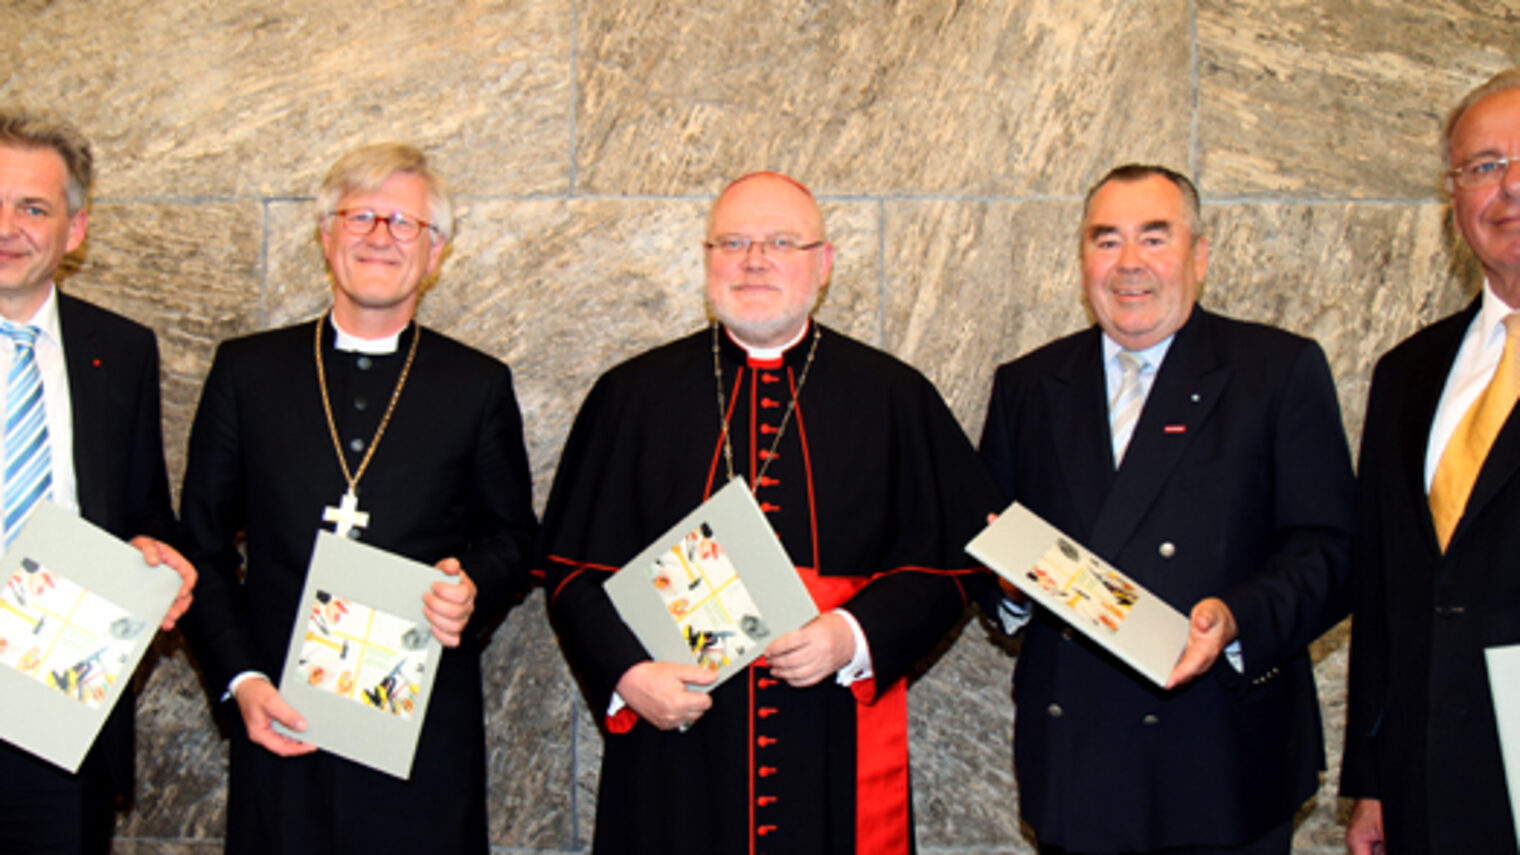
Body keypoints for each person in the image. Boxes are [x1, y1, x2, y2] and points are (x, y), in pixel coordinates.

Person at [538, 171, 1003, 855]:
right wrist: (632, 674)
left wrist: (852, 634)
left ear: (825, 262)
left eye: (782, 241)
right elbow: (573, 566)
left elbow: (950, 562)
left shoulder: (893, 395)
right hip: (680, 735)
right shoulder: (631, 395)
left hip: (831, 738)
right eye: (733, 242)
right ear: (706, 261)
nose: (754, 259)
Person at [977, 164, 1354, 854]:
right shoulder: (1028, 384)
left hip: (1220, 757)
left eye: (1155, 238)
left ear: (1199, 255)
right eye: (1106, 240)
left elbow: (1331, 549)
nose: (1129, 264)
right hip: (1077, 761)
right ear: (1082, 257)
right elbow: (991, 542)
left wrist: (1237, 615)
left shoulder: (1277, 369)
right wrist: (1006, 588)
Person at [176, 143, 537, 853]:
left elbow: (515, 540)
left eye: (404, 223)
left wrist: (471, 585)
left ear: (434, 253)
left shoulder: (476, 384)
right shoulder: (248, 371)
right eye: (361, 216)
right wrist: (241, 680)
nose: (379, 235)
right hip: (281, 714)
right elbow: (202, 547)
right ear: (326, 235)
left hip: (421, 729)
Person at [0, 108, 195, 853]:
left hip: (63, 718)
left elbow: (144, 509)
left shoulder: (119, 350)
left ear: (74, 230)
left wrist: (157, 555)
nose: (8, 225)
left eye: (34, 207)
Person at [1343, 67, 1520, 855]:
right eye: (1484, 166)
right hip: (1426, 771)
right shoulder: (1408, 371)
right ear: (1454, 200)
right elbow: (1383, 585)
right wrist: (1373, 776)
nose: (1509, 188)